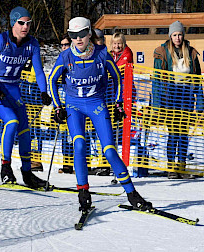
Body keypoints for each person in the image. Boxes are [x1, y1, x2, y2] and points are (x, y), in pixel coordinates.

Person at [48, 16, 152, 212]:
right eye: (73, 35)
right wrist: (58, 106)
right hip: (74, 106)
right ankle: (83, 192)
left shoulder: (102, 54)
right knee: (79, 144)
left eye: (81, 35)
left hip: (96, 104)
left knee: (109, 150)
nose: (78, 39)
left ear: (89, 34)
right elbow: (52, 80)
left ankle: (132, 194)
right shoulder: (65, 57)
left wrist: (119, 103)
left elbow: (118, 78)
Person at [0, 6, 52, 188]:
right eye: (21, 23)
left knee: (25, 129)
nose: (25, 27)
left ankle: (27, 173)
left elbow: (39, 71)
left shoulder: (32, 44)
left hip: (13, 88)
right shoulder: (0, 40)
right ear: (13, 23)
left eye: (28, 23)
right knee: (12, 122)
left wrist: (44, 91)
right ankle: (5, 168)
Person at [153, 20, 203, 179]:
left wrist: (200, 102)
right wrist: (157, 103)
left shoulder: (191, 52)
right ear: (170, 36)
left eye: (180, 34)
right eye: (175, 35)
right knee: (173, 133)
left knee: (183, 133)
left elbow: (197, 80)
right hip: (170, 97)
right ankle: (171, 167)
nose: (177, 38)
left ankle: (181, 166)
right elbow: (157, 80)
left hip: (186, 97)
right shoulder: (162, 52)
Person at [58, 34, 74, 174]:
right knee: (64, 134)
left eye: (66, 45)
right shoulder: (61, 59)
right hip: (63, 99)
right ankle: (67, 163)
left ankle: (82, 164)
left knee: (77, 133)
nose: (64, 47)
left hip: (75, 100)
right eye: (62, 45)